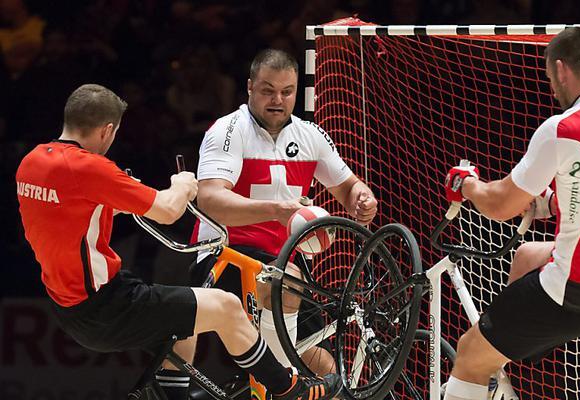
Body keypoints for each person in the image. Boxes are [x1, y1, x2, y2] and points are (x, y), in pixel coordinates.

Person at [15, 84, 342, 400]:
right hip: (105, 305)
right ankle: (288, 388)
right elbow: (169, 211)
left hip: (68, 305)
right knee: (225, 307)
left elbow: (74, 212)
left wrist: (122, 195)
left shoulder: (31, 163)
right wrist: (183, 184)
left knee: (183, 320)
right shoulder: (90, 167)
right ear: (107, 130)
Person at [441, 27, 580, 400]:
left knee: (468, 354)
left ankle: (486, 359)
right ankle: (501, 348)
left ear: (561, 70)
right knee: (527, 255)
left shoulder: (563, 128)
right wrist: (550, 203)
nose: (552, 88)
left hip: (579, 292)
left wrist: (467, 185)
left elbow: (500, 205)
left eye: (550, 78)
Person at [188, 49, 377, 375]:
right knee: (286, 283)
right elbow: (210, 200)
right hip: (224, 255)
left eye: (286, 92)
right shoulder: (229, 130)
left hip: (287, 262)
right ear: (249, 88)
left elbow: (349, 188)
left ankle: (278, 376)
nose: (278, 99)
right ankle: (279, 381)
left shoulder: (311, 135)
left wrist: (363, 199)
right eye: (267, 90)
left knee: (327, 374)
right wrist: (276, 210)